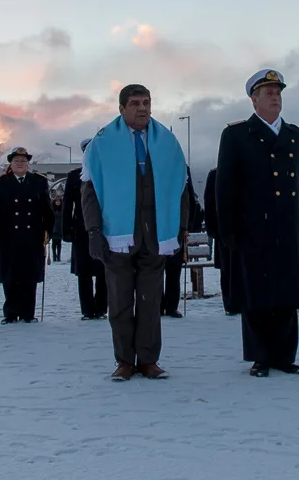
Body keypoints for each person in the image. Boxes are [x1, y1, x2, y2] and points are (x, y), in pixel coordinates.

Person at [81, 84, 191, 381]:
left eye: (146, 102)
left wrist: (181, 228)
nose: (142, 108)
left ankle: (149, 360)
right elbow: (90, 191)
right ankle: (124, 361)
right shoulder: (102, 143)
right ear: (121, 108)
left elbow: (181, 189)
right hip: (116, 236)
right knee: (119, 303)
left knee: (150, 300)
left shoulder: (167, 142)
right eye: (134, 103)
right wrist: (93, 231)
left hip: (156, 235)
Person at [215, 68, 299, 377]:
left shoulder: (297, 136)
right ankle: (261, 356)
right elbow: (225, 187)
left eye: (278, 92)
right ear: (254, 99)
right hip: (253, 228)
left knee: (287, 290)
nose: (275, 97)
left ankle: (284, 355)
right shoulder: (236, 135)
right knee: (257, 291)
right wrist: (228, 231)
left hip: (288, 226)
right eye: (269, 92)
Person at [0, 146, 54, 324]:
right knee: (9, 277)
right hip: (8, 237)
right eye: (16, 161)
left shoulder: (38, 182)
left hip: (32, 237)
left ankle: (28, 313)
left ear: (28, 164)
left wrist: (47, 232)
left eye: (23, 161)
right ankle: (10, 313)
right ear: (11, 163)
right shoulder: (0, 182)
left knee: (29, 276)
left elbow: (47, 209)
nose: (20, 164)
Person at [63, 137, 108, 320]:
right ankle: (87, 310)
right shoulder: (75, 175)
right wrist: (66, 230)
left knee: (104, 270)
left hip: (105, 228)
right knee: (84, 272)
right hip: (81, 230)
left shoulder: (107, 172)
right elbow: (67, 205)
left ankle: (101, 307)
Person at [162, 166, 203, 318]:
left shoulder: (181, 167)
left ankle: (169, 306)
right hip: (157, 225)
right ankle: (161, 306)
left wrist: (188, 224)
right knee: (157, 268)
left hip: (176, 226)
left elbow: (189, 197)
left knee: (173, 269)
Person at [204, 166, 239, 315]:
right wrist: (213, 229)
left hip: (247, 228)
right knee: (227, 269)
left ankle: (245, 301)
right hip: (224, 230)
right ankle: (230, 303)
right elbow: (209, 203)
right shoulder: (215, 174)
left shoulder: (249, 169)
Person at [50, 194, 64, 262]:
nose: (58, 203)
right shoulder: (52, 208)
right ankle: (54, 256)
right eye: (57, 201)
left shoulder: (62, 208)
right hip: (54, 227)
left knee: (59, 243)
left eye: (59, 201)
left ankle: (58, 256)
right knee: (54, 243)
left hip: (60, 228)